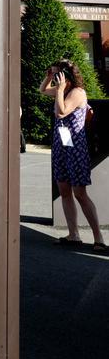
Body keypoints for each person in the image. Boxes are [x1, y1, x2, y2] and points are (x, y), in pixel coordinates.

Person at [39, 59, 106, 251]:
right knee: (64, 191)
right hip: (61, 146)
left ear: (67, 76)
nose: (56, 78)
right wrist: (48, 77)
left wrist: (60, 90)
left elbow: (61, 112)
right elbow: (43, 90)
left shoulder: (77, 92)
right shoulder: (63, 90)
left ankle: (99, 238)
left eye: (58, 74)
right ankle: (73, 234)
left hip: (75, 148)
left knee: (80, 194)